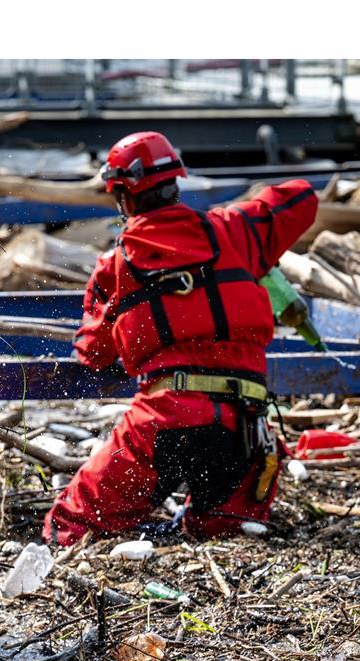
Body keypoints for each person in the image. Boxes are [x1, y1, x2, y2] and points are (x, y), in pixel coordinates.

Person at [44, 131, 318, 547]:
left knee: (70, 529)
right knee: (225, 533)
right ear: (177, 180)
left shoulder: (116, 265)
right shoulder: (238, 229)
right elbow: (302, 197)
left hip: (165, 418)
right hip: (244, 426)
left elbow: (92, 353)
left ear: (121, 196)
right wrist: (250, 233)